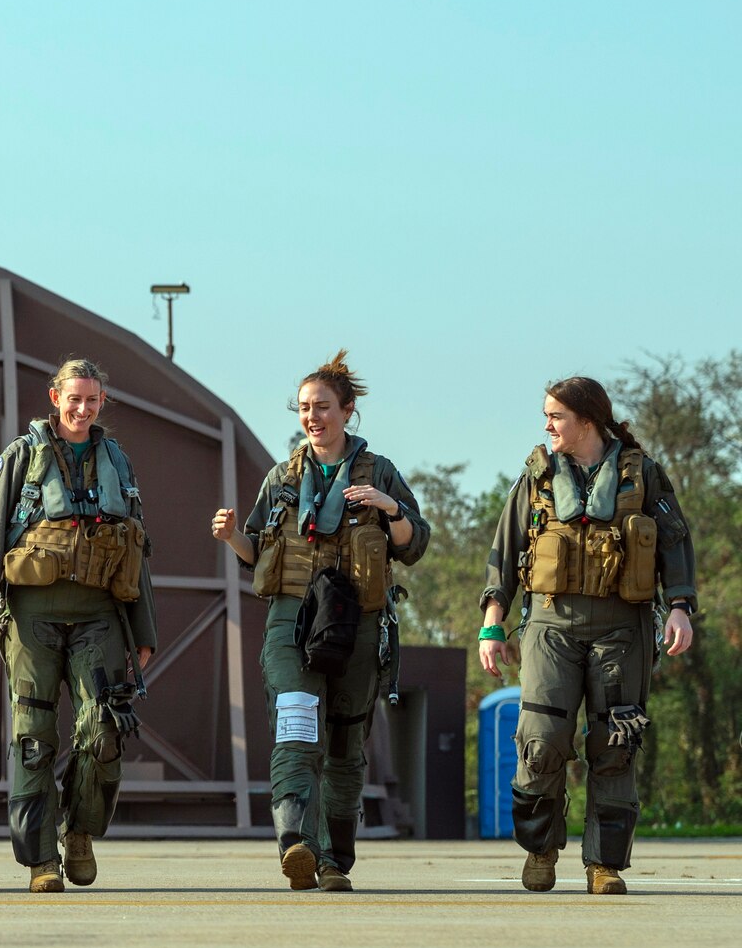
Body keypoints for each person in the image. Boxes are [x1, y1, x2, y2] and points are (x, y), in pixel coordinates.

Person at [212, 351, 427, 891]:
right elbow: (255, 552)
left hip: (358, 619)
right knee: (297, 722)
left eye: (323, 407)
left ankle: (334, 861)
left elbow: (414, 544)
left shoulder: (379, 473)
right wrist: (231, 535)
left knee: (347, 747)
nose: (313, 417)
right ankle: (296, 842)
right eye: (305, 408)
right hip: (292, 620)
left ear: (348, 411)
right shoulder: (282, 478)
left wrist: (389, 507)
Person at [479, 376, 696, 895]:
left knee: (615, 744)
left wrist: (681, 609)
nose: (547, 425)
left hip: (623, 627)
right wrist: (492, 623)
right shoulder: (536, 477)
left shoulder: (643, 475)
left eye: (556, 416)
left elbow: (675, 545)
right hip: (550, 625)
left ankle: (605, 865)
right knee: (541, 740)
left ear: (587, 421)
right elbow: (505, 552)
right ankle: (540, 850)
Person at [0, 358, 158, 893]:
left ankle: (81, 833)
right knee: (33, 735)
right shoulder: (19, 458)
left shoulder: (118, 460)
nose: (83, 409)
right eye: (75, 398)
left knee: (106, 728)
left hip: (99, 613)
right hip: (31, 614)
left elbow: (136, 548)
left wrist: (144, 632)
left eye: (93, 401)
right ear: (54, 396)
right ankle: (41, 860)